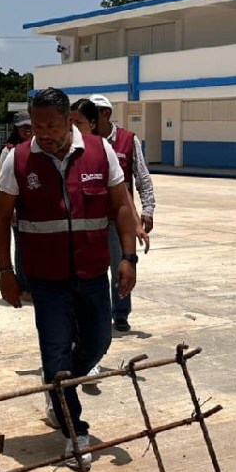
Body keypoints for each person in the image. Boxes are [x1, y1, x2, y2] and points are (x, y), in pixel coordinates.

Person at [0, 87, 138, 469]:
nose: (44, 132)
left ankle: (57, 389)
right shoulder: (18, 158)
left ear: (69, 120)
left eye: (53, 124)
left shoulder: (98, 150)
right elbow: (0, 217)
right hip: (46, 278)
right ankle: (75, 432)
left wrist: (128, 258)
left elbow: (121, 205)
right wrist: (6, 271)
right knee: (55, 352)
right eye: (37, 124)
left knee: (99, 341)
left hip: (92, 271)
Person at [87, 94, 157, 333]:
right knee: (92, 270)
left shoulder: (128, 140)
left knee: (122, 266)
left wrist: (147, 209)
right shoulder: (84, 141)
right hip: (90, 217)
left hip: (119, 219)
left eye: (92, 113)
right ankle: (97, 315)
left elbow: (142, 177)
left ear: (105, 114)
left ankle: (120, 314)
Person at [0, 112, 33, 302]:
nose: (27, 130)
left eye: (29, 126)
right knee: (21, 247)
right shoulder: (9, 151)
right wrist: (10, 210)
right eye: (23, 127)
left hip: (33, 205)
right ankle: (25, 287)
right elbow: (4, 184)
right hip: (17, 207)